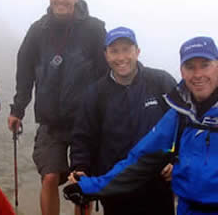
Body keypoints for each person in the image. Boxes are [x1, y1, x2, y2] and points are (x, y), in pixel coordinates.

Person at [66, 36, 218, 214]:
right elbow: (140, 160)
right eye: (190, 67)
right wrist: (90, 186)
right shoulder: (180, 112)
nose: (197, 74)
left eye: (204, 65)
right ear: (182, 71)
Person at [7, 0, 107, 214]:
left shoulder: (94, 29)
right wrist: (18, 109)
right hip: (51, 121)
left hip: (85, 120)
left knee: (80, 181)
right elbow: (25, 71)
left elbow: (106, 73)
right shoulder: (37, 30)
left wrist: (106, 112)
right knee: (49, 177)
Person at [68, 27, 176, 214]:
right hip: (115, 185)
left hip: (158, 183)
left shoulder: (161, 81)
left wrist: (177, 160)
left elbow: (183, 125)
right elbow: (83, 136)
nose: (121, 57)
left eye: (126, 49)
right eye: (114, 51)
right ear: (106, 55)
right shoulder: (95, 93)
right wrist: (80, 167)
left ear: (137, 51)